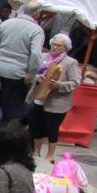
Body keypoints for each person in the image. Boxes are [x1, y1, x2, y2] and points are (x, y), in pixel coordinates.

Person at [29, 33, 81, 163]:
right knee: (37, 126)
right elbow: (33, 72)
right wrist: (37, 77)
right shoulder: (43, 57)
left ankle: (50, 155)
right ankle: (36, 151)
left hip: (57, 101)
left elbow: (75, 82)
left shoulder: (70, 63)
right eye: (53, 44)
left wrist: (59, 85)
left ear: (66, 48)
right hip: (39, 97)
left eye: (59, 45)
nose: (55, 47)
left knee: (52, 128)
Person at [0, 1, 47, 121]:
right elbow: (35, 55)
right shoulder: (36, 30)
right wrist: (31, 75)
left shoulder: (6, 24)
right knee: (12, 110)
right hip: (18, 73)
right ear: (37, 13)